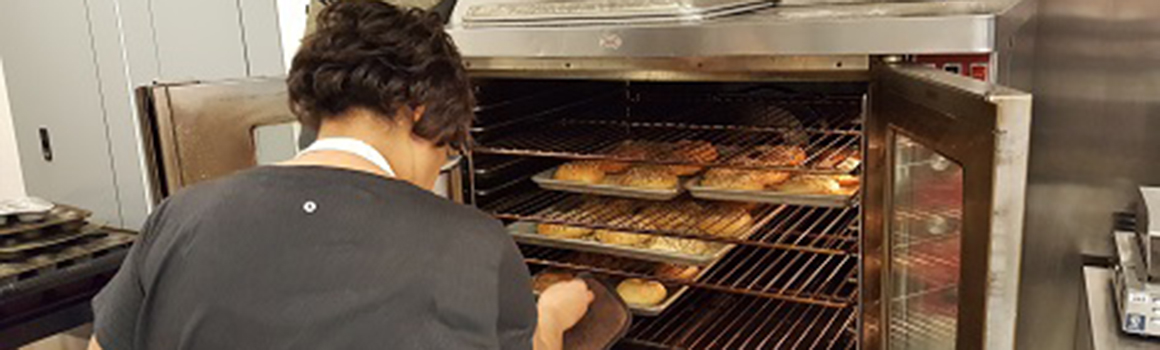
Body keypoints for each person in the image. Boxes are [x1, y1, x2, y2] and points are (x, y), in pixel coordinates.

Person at [87, 1, 594, 349]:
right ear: (418, 110)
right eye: (448, 148)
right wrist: (547, 316)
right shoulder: (477, 245)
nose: (439, 169)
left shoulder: (179, 217)